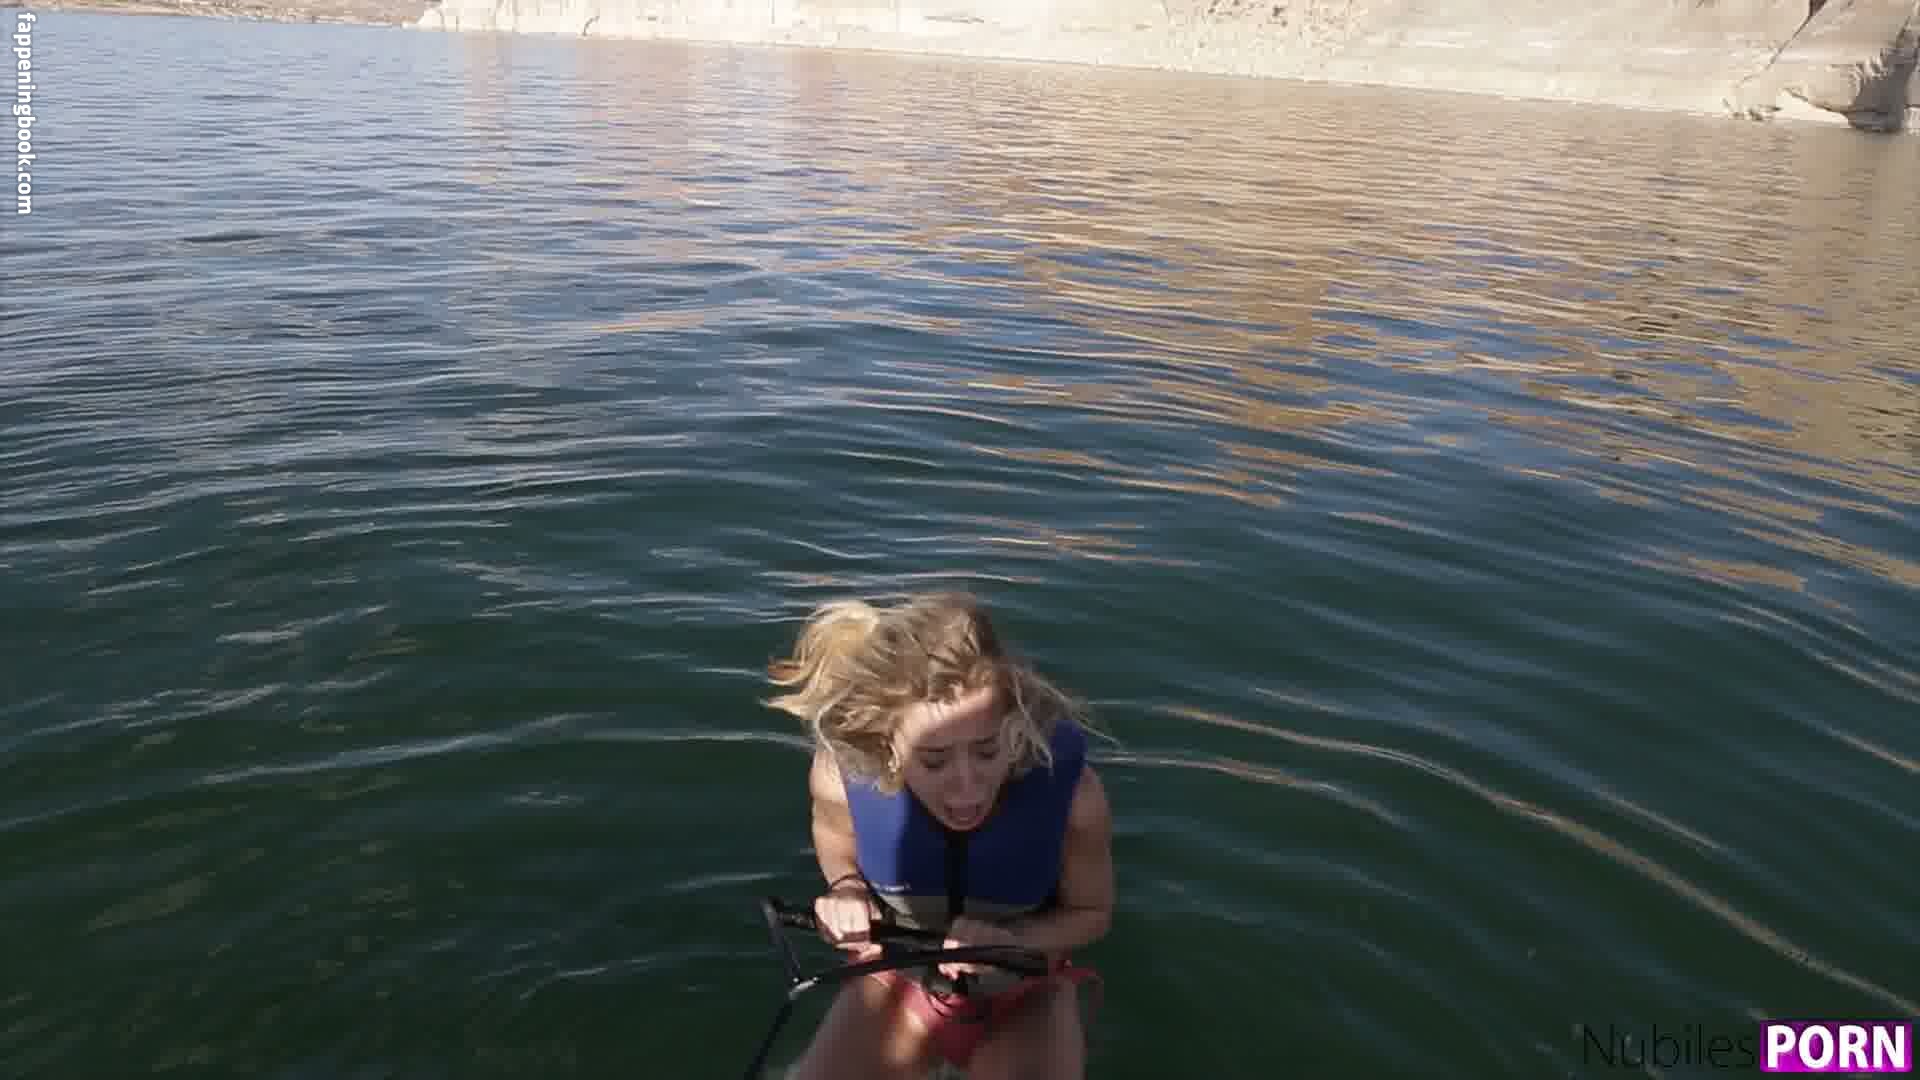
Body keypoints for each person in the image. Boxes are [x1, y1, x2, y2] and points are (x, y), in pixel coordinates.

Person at [763, 591, 1114, 1080]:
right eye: (934, 760)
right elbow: (837, 848)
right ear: (888, 747)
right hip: (895, 980)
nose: (967, 787)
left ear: (1013, 728)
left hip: (1024, 992)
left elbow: (1092, 915)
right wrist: (846, 890)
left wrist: (1010, 939)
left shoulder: (1075, 795)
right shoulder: (839, 776)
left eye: (987, 751)